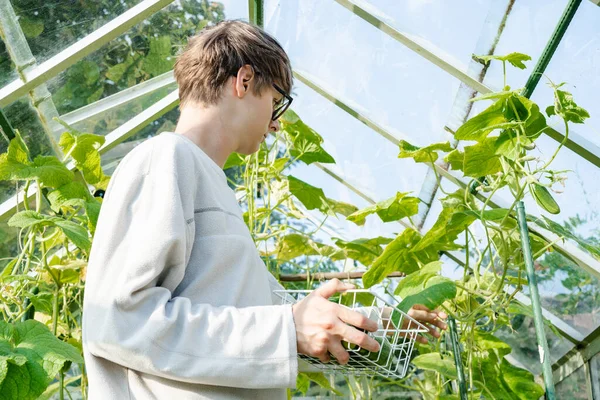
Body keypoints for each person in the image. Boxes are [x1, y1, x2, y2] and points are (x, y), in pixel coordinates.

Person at [82, 20, 447, 399]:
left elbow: (261, 318)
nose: (275, 124)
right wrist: (287, 328)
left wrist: (373, 324)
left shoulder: (209, 184)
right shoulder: (165, 158)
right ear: (243, 80)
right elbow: (117, 319)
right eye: (276, 101)